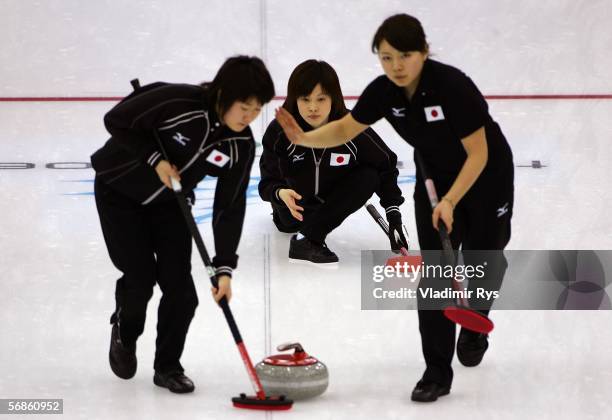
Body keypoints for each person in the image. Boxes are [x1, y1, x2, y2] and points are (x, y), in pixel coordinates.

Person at [275, 14, 514, 402]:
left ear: (423, 52)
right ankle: (436, 373)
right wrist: (306, 138)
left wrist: (453, 200)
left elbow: (479, 152)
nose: (396, 66)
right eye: (386, 58)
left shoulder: (454, 88)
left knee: (486, 256)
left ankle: (476, 320)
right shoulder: (384, 92)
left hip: (486, 176)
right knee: (436, 271)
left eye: (404, 55)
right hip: (434, 179)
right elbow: (346, 128)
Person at [91, 56, 274, 393]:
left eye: (257, 109)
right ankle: (125, 331)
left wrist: (224, 267)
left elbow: (229, 207)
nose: (249, 117)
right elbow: (116, 120)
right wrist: (155, 159)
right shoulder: (176, 102)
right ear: (223, 94)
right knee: (141, 279)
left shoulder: (240, 145)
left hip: (171, 204)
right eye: (244, 107)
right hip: (119, 192)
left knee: (183, 293)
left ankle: (168, 366)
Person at [259, 59, 407, 265]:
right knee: (289, 217)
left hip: (328, 208)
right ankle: (303, 236)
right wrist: (280, 193)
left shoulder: (350, 126)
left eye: (321, 99)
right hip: (293, 215)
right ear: (294, 99)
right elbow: (267, 182)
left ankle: (309, 239)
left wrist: (393, 214)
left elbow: (386, 163)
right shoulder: (280, 130)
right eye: (305, 99)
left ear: (334, 98)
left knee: (369, 175)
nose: (313, 107)